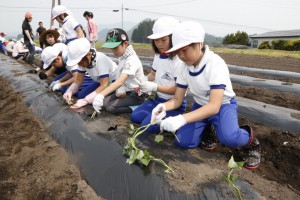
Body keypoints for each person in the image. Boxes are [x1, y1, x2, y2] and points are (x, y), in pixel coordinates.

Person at [151, 21, 261, 170]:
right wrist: (163, 107)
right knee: (182, 142)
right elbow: (177, 99)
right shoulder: (184, 67)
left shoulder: (215, 64)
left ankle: (251, 143)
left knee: (229, 137)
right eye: (178, 52)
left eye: (185, 50)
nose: (182, 56)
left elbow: (214, 106)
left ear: (200, 44)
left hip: (223, 105)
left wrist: (181, 119)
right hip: (200, 105)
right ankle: (209, 129)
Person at [131, 16, 186, 134]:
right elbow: (153, 74)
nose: (160, 44)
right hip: (157, 99)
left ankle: (176, 120)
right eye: (156, 40)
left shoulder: (178, 60)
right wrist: (143, 80)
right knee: (135, 117)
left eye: (163, 40)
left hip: (173, 103)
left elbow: (177, 90)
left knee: (147, 126)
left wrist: (154, 87)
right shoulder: (159, 55)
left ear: (173, 38)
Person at [92, 28, 145, 114]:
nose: (113, 51)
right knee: (104, 105)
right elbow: (120, 79)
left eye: (115, 48)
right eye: (111, 49)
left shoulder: (131, 60)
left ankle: (138, 107)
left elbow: (120, 81)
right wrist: (121, 89)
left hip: (136, 94)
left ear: (125, 44)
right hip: (125, 92)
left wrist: (100, 95)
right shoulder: (122, 57)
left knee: (111, 108)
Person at [63, 38, 118, 108]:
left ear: (88, 54)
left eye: (80, 62)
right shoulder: (83, 61)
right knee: (81, 95)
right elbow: (79, 80)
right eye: (78, 63)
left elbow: (104, 85)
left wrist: (86, 100)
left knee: (97, 102)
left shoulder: (101, 60)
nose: (80, 65)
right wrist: (69, 91)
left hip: (111, 83)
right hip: (99, 81)